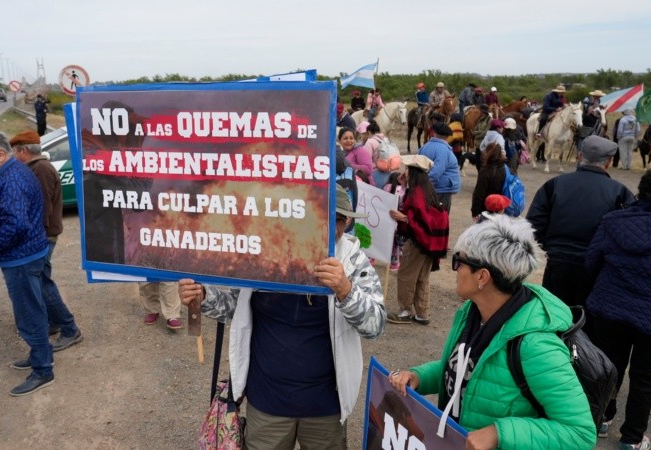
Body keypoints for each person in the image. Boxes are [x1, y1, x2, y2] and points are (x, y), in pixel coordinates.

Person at [177, 185, 386, 450]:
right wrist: (204, 296)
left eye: (339, 219)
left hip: (326, 406)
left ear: (347, 224)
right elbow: (234, 308)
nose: (329, 227)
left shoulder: (352, 260)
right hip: (267, 402)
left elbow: (375, 326)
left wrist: (346, 290)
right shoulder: (263, 252)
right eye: (321, 215)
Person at [387, 215, 597, 450]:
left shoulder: (535, 344)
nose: (455, 269)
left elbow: (580, 433)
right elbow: (467, 369)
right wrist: (419, 377)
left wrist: (499, 433)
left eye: (459, 261)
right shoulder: (472, 311)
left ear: (482, 277)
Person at [585, 168, 651, 450]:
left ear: (641, 191)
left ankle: (602, 418)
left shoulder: (611, 222)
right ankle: (632, 438)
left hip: (611, 309)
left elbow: (591, 263)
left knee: (609, 368)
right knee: (645, 380)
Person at [0, 132, 56, 396]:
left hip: (21, 258)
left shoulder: (12, 179)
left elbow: (16, 224)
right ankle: (39, 355)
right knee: (33, 308)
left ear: (1, 154)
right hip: (26, 253)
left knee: (29, 313)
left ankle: (43, 370)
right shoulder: (13, 172)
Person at [526, 135, 635, 307]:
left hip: (558, 262)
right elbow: (627, 232)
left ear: (579, 156)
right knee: (588, 316)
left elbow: (533, 224)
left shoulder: (554, 184)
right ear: (608, 162)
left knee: (556, 313)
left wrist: (552, 247)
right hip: (596, 266)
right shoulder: (620, 192)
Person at [9, 130, 83, 354]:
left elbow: (41, 209)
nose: (13, 156)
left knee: (42, 283)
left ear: (23, 150)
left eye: (14, 151)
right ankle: (53, 322)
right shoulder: (34, 168)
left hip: (41, 237)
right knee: (40, 281)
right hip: (40, 236)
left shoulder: (40, 169)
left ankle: (69, 329)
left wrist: (31, 239)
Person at [387, 155, 449, 325]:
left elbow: (420, 218)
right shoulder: (426, 189)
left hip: (417, 240)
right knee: (422, 277)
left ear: (413, 172)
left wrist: (403, 217)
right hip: (429, 242)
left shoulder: (416, 193)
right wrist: (404, 185)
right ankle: (422, 313)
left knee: (406, 275)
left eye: (407, 169)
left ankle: (405, 311)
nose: (404, 171)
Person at [417, 122, 461, 212]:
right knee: (440, 216)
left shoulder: (424, 147)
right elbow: (436, 173)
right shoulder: (443, 150)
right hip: (441, 190)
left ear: (434, 133)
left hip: (430, 188)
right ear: (447, 137)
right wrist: (427, 187)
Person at [471, 143, 506, 221]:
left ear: (487, 153)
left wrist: (475, 211)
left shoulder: (485, 171)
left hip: (487, 209)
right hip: (502, 208)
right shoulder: (506, 169)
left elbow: (479, 193)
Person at [382, 172, 406, 271]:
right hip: (398, 220)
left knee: (385, 242)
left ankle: (373, 258)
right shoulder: (401, 190)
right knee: (396, 245)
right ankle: (395, 263)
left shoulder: (386, 187)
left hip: (386, 219)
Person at [364, 120, 390, 187]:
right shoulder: (386, 140)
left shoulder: (370, 142)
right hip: (388, 172)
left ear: (369, 132)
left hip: (375, 173)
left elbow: (366, 161)